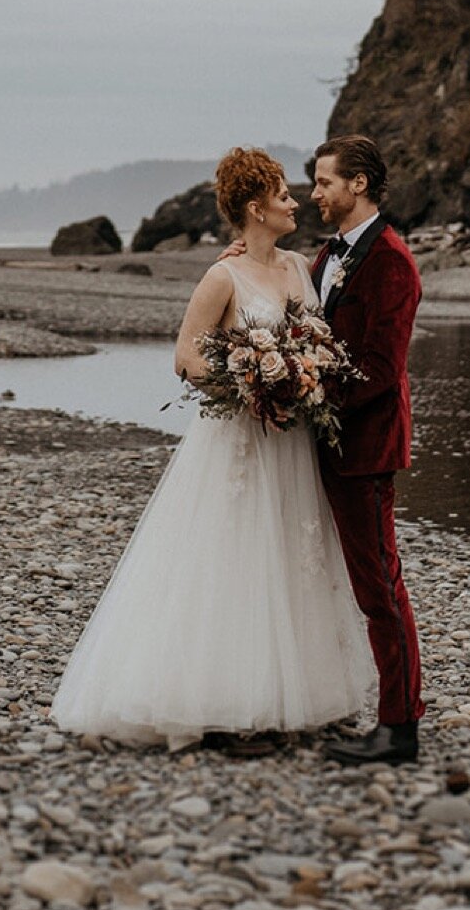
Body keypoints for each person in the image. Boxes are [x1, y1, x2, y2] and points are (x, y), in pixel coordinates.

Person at [49, 147, 374, 750]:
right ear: (256, 207)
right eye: (282, 195)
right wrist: (250, 383)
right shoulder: (222, 276)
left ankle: (303, 694)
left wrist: (299, 377)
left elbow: (318, 341)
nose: (295, 201)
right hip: (242, 441)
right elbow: (187, 358)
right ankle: (229, 702)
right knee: (237, 557)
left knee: (292, 555)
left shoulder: (301, 265)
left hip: (291, 440)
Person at [307, 134, 425, 765]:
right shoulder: (328, 257)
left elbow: (381, 366)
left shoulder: (393, 262)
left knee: (380, 588)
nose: (315, 193)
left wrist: (310, 398)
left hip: (365, 448)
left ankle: (399, 728)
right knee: (346, 582)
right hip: (325, 445)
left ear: (358, 185)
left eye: (325, 182)